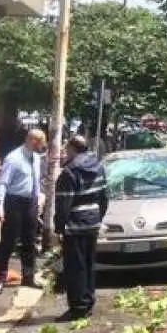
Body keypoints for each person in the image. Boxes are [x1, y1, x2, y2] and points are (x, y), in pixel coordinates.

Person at [54, 135, 108, 321]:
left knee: (75, 267)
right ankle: (88, 301)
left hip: (74, 226)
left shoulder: (69, 172)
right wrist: (98, 218)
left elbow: (63, 205)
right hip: (92, 223)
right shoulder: (99, 167)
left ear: (72, 149)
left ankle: (77, 307)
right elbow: (104, 198)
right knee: (88, 264)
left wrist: (59, 228)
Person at [0, 129, 47, 294]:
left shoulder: (36, 158)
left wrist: (39, 198)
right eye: (41, 142)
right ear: (32, 141)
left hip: (30, 202)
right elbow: (2, 183)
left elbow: (36, 180)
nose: (43, 146)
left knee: (29, 242)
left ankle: (28, 277)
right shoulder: (13, 158)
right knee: (8, 242)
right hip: (13, 202)